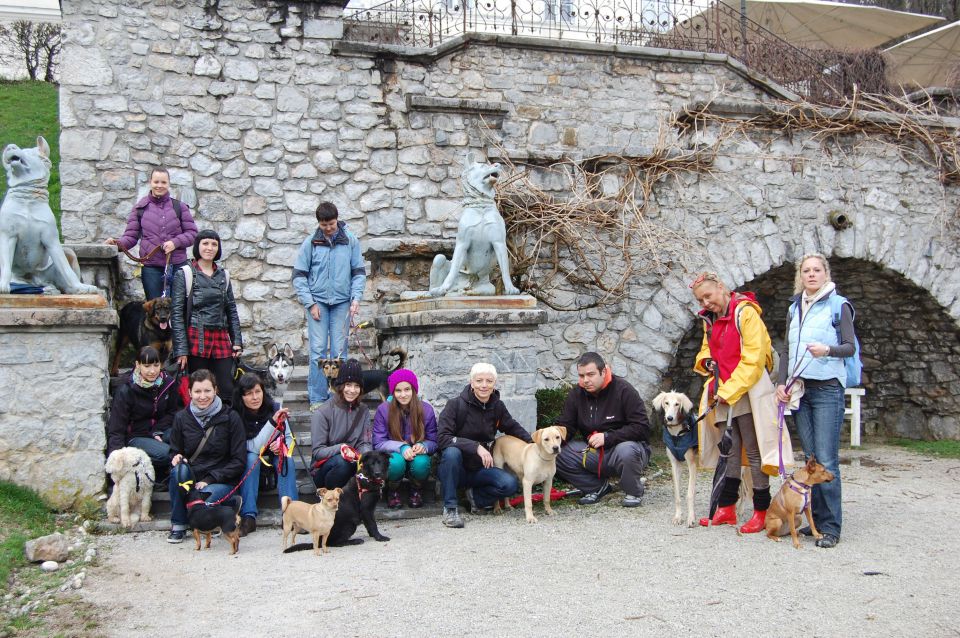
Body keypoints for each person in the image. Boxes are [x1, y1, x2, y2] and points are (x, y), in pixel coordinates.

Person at [775, 253, 855, 549]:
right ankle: (816, 522)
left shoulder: (839, 305)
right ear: (801, 276)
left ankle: (831, 526)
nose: (811, 275)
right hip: (801, 390)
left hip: (827, 389)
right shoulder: (794, 307)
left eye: (816, 270)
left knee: (826, 458)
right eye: (806, 271)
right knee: (811, 459)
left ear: (825, 273)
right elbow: (786, 349)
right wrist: (781, 383)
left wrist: (827, 350)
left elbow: (849, 346)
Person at [691, 271, 780, 533]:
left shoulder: (746, 313)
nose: (705, 303)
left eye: (708, 296)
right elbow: (708, 349)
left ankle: (761, 510)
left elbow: (754, 357)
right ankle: (727, 508)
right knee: (728, 450)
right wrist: (706, 362)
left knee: (753, 450)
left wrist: (729, 390)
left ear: (721, 287)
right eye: (700, 300)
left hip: (746, 389)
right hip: (723, 389)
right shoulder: (710, 319)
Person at [436, 363, 532, 529]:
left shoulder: (497, 406)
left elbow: (512, 426)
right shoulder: (455, 405)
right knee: (451, 453)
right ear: (471, 383)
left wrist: (533, 444)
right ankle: (450, 509)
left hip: (480, 469)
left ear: (494, 383)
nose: (484, 385)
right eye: (479, 380)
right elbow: (443, 438)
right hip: (454, 469)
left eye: (489, 381)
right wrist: (476, 447)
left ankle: (475, 498)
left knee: (509, 484)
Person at [292, 201, 366, 411]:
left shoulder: (350, 241)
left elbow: (358, 272)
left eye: (332, 224)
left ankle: (340, 395)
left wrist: (356, 298)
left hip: (342, 302)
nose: (328, 228)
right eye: (324, 225)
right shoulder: (310, 243)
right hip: (318, 303)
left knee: (339, 351)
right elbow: (299, 276)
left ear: (337, 220)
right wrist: (310, 303)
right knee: (317, 351)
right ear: (319, 223)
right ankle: (317, 398)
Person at [554, 352, 651, 507]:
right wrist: (548, 437)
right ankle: (596, 487)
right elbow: (566, 426)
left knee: (626, 450)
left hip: (627, 449)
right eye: (581, 375)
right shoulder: (576, 394)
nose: (585, 380)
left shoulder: (624, 390)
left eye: (590, 374)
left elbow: (642, 427)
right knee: (556, 452)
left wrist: (607, 437)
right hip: (594, 452)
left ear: (603, 372)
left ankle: (633, 491)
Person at [166, 369, 246, 544]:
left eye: (207, 391)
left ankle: (223, 510)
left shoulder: (231, 417)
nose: (203, 396)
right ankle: (178, 525)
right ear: (189, 393)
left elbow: (239, 460)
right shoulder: (181, 418)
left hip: (221, 479)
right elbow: (174, 450)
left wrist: (210, 479)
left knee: (205, 497)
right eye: (197, 391)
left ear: (216, 390)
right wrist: (176, 457)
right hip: (192, 477)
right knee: (177, 471)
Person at [171, 229, 243, 403]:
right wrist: (181, 349)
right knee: (199, 388)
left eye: (214, 244)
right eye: (205, 243)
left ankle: (225, 428)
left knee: (227, 389)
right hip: (196, 338)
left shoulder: (223, 275)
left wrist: (237, 342)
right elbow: (177, 314)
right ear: (198, 247)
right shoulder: (185, 274)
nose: (209, 248)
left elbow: (231, 310)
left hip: (220, 337)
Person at [105, 167, 198, 300]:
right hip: (151, 268)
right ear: (151, 182)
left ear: (169, 184)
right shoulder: (140, 208)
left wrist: (175, 243)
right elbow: (130, 237)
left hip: (177, 266)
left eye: (163, 182)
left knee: (178, 309)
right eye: (156, 182)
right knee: (155, 310)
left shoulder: (180, 207)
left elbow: (192, 233)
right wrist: (116, 244)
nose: (159, 185)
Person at [232, 373, 298, 537]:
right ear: (242, 396)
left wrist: (282, 444)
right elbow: (252, 447)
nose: (255, 397)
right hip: (250, 457)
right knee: (251, 458)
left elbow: (289, 438)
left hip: (273, 454)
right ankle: (249, 516)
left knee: (286, 458)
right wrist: (273, 424)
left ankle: (291, 514)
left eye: (258, 391)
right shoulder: (236, 414)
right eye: (249, 394)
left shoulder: (274, 408)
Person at [106, 345, 182, 476]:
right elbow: (117, 428)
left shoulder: (168, 383)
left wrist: (157, 430)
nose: (152, 371)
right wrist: (116, 461)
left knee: (184, 440)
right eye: (147, 366)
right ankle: (137, 468)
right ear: (138, 365)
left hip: (159, 430)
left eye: (156, 365)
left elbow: (173, 412)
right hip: (136, 436)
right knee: (166, 453)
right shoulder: (126, 390)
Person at [372, 369, 438, 509]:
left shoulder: (426, 410)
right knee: (396, 463)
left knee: (421, 463)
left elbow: (434, 440)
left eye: (407, 389)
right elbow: (378, 442)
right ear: (393, 392)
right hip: (394, 453)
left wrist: (424, 446)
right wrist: (401, 447)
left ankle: (416, 490)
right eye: (398, 390)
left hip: (417, 454)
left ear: (414, 390)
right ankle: (393, 491)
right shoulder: (384, 410)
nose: (403, 395)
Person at [310, 359, 371, 489]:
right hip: (325, 468)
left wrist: (363, 456)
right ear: (340, 385)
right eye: (348, 385)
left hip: (353, 461)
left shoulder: (364, 410)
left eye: (357, 386)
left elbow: (365, 442)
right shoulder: (322, 412)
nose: (352, 390)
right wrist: (341, 448)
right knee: (342, 463)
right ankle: (333, 499)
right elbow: (318, 451)